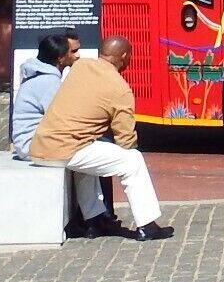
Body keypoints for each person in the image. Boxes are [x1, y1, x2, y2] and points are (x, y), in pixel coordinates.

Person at [28, 35, 171, 241]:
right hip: (65, 150)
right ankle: (147, 225)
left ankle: (94, 219)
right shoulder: (120, 89)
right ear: (124, 56)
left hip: (41, 146)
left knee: (89, 152)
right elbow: (126, 141)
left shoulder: (80, 67)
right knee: (133, 161)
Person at [9, 32, 78, 160]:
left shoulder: (43, 76)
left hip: (33, 142)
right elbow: (61, 120)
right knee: (93, 152)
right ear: (60, 58)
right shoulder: (48, 81)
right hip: (32, 146)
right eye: (73, 52)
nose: (78, 56)